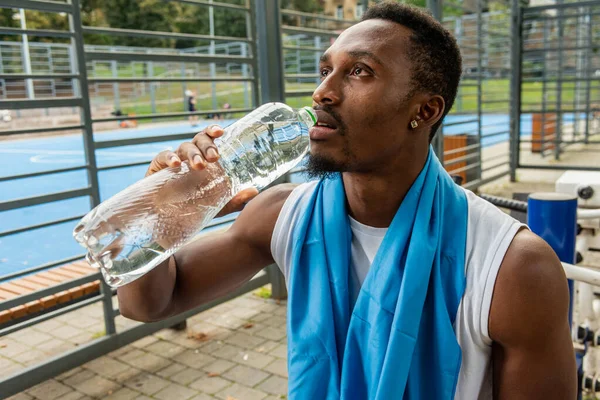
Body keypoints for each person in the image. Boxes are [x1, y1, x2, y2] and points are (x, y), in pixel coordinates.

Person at [118, 3, 577, 399]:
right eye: (325, 70)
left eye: (359, 71)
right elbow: (149, 304)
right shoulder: (284, 213)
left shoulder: (513, 267)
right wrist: (161, 208)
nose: (323, 92)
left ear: (425, 110)